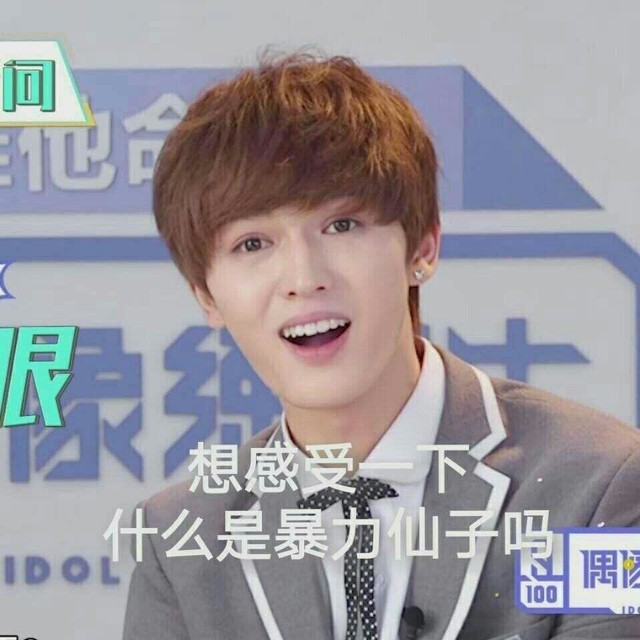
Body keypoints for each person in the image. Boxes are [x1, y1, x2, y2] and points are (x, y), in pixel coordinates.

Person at [122, 50, 640, 640]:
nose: (303, 278)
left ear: (422, 247)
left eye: (341, 226)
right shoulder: (182, 544)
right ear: (206, 297)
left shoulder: (594, 487)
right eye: (252, 244)